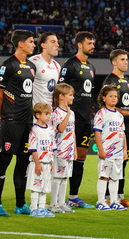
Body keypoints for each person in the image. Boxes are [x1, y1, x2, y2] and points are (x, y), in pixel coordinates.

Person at [0, 30, 36, 217]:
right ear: (20, 44)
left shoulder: (31, 66)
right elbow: (0, 94)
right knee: (3, 161)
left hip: (27, 122)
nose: (34, 45)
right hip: (11, 121)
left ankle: (20, 204)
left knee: (23, 163)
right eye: (31, 42)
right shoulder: (8, 65)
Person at [59, 31, 96, 208]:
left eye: (93, 43)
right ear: (79, 45)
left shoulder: (91, 67)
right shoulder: (69, 65)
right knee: (66, 158)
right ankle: (58, 199)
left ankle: (73, 197)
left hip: (85, 119)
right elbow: (59, 90)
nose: (93, 46)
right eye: (89, 43)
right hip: (71, 119)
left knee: (81, 157)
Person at [102, 49, 129, 207]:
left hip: (127, 127)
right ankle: (107, 195)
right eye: (122, 59)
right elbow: (109, 105)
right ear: (114, 62)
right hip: (112, 128)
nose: (126, 62)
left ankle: (119, 193)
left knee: (123, 161)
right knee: (111, 161)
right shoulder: (110, 81)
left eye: (127, 59)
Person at [94, 85, 128, 211]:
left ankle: (114, 201)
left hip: (118, 152)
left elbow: (122, 133)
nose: (114, 98)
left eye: (115, 96)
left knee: (115, 177)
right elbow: (97, 132)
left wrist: (124, 150)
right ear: (104, 98)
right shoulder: (101, 114)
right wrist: (100, 150)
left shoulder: (119, 115)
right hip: (106, 151)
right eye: (110, 96)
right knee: (104, 176)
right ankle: (100, 201)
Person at [49, 83, 77, 213]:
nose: (73, 98)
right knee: (57, 177)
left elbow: (73, 132)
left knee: (65, 177)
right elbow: (60, 129)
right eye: (70, 95)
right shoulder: (56, 113)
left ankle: (61, 203)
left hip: (69, 150)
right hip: (59, 150)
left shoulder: (72, 113)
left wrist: (75, 150)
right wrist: (68, 114)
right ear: (61, 97)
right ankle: (53, 204)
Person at [26, 103, 56, 218]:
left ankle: (42, 208)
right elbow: (33, 148)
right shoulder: (35, 130)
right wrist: (37, 164)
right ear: (38, 115)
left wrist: (52, 162)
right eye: (46, 114)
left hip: (48, 163)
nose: (49, 116)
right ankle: (33, 208)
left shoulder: (50, 130)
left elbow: (52, 147)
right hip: (37, 163)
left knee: (45, 187)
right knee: (36, 186)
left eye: (50, 114)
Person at [29, 31, 60, 108]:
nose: (57, 45)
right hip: (33, 114)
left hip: (48, 114)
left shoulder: (57, 66)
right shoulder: (33, 62)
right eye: (53, 42)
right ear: (43, 45)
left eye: (57, 42)